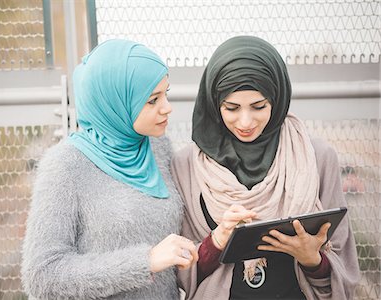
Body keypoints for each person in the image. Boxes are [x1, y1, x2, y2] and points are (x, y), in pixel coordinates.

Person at [171, 36, 360, 299]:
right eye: (232, 108)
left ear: (277, 99)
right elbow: (182, 271)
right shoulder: (187, 166)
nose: (245, 121)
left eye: (259, 106)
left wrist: (312, 259)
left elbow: (343, 264)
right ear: (214, 105)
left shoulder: (317, 157)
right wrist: (216, 242)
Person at [21, 39, 198, 300]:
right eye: (152, 100)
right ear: (114, 103)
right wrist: (145, 261)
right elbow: (42, 275)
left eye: (166, 93)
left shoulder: (157, 147)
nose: (167, 107)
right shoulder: (65, 166)